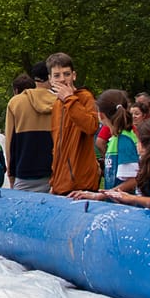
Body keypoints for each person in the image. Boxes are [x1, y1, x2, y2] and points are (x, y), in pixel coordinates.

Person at [72, 119, 150, 212]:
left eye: (137, 140)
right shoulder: (149, 165)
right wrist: (100, 196)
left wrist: (132, 198)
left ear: (142, 145)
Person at [47, 52, 100, 195]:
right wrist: (54, 181)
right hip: (60, 184)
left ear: (74, 75)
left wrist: (69, 99)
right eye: (57, 75)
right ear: (50, 79)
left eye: (66, 74)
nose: (62, 79)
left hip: (82, 185)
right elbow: (57, 145)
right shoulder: (57, 105)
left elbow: (91, 127)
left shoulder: (85, 98)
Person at [69, 89, 137, 198]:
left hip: (125, 205)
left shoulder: (124, 140)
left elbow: (134, 179)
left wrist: (101, 195)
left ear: (100, 115)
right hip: (115, 203)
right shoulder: (115, 138)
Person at [4, 61, 56, 192]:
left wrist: (11, 175)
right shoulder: (61, 102)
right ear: (50, 77)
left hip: (24, 172)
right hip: (54, 173)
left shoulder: (15, 103)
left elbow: (9, 142)